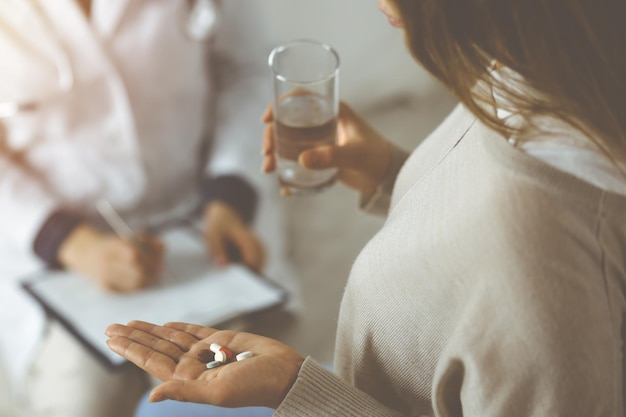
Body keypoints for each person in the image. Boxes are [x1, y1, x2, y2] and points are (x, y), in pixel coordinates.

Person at [106, 0, 626, 416]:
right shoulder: (521, 75)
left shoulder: (545, 280)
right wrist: (393, 173)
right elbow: (472, 248)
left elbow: (508, 270)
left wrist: (300, 392)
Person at [0, 1, 289, 417]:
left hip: (197, 221)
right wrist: (71, 243)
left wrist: (229, 197)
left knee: (225, 391)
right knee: (78, 403)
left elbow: (248, 72)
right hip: (51, 253)